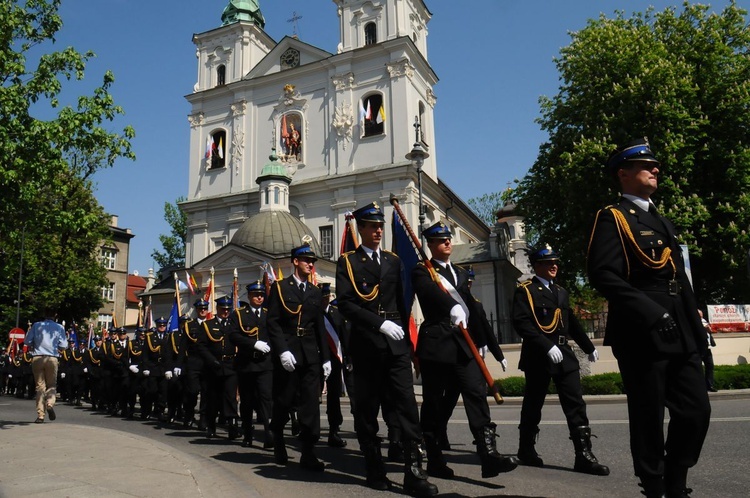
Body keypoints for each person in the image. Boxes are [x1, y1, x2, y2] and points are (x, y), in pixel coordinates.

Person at [587, 138, 711, 497]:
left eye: (655, 165)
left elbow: (679, 280)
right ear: (623, 174)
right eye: (646, 165)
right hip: (642, 329)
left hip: (680, 328)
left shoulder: (661, 219)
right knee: (648, 416)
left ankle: (677, 477)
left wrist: (698, 333)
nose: (655, 169)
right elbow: (603, 274)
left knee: (696, 410)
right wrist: (651, 312)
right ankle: (656, 486)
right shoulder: (612, 217)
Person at [335, 202, 438, 496]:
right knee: (367, 411)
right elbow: (346, 304)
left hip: (395, 347)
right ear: (362, 228)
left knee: (406, 406)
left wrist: (405, 338)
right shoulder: (349, 262)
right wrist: (378, 324)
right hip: (367, 346)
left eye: (381, 225)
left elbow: (403, 302)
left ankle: (413, 472)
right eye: (372, 226)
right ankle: (374, 468)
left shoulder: (393, 262)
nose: (379, 230)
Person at [412, 221, 519, 480]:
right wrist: (450, 305)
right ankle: (435, 458)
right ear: (431, 245)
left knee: (475, 393)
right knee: (435, 403)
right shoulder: (422, 271)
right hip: (437, 345)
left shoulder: (460, 273)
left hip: (463, 345)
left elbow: (476, 313)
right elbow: (428, 293)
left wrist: (493, 349)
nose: (448, 242)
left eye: (448, 238)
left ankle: (488, 455)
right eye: (441, 240)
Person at [512, 246, 609, 476]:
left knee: (576, 404)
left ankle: (583, 455)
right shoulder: (526, 291)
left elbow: (572, 323)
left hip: (564, 354)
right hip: (539, 355)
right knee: (533, 405)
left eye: (555, 262)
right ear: (536, 266)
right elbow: (522, 323)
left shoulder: (561, 292)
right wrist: (546, 346)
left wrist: (588, 347)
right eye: (548, 263)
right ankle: (526, 449)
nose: (554, 266)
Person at [266, 242, 331, 471]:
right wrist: (282, 350)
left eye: (313, 261)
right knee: (284, 401)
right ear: (295, 261)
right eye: (306, 260)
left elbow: (319, 326)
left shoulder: (314, 292)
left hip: (310, 353)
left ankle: (308, 451)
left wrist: (325, 358)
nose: (311, 264)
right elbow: (273, 322)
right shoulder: (281, 288)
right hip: (289, 352)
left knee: (310, 404)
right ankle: (278, 439)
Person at [229, 280, 274, 449]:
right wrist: (252, 344)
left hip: (265, 363)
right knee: (247, 401)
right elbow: (233, 335)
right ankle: (247, 433)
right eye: (256, 295)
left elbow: (274, 332)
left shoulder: (269, 313)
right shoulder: (239, 314)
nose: (259, 298)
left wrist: (268, 346)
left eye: (262, 295)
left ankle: (268, 433)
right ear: (249, 296)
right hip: (246, 363)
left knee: (265, 399)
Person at [197, 296, 241, 439]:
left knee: (230, 397)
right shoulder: (207, 325)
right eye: (223, 309)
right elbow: (201, 346)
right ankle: (211, 425)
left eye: (228, 309)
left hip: (231, 365)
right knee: (213, 398)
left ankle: (232, 425)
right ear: (218, 309)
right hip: (213, 367)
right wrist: (211, 360)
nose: (226, 312)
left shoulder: (234, 325)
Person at [318, 282, 354, 448]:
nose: (325, 299)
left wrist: (348, 357)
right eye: (322, 297)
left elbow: (345, 336)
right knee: (315, 397)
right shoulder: (314, 315)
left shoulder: (335, 313)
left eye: (327, 296)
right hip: (319, 360)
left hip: (337, 360)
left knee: (338, 396)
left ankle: (334, 430)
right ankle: (308, 428)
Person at [24, 309, 68, 423]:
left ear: (44, 315)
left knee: (39, 387)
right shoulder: (59, 327)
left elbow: (27, 341)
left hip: (38, 357)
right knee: (52, 384)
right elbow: (64, 345)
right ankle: (50, 403)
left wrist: (35, 344)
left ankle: (40, 415)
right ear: (55, 315)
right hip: (52, 357)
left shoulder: (36, 325)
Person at [698, 310, 717, 392]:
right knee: (698, 368)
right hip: (699, 348)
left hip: (707, 347)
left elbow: (710, 331)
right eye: (699, 315)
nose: (701, 316)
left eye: (701, 315)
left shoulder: (704, 321)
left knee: (710, 366)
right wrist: (703, 328)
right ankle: (699, 386)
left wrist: (708, 329)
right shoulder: (693, 321)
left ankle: (710, 385)